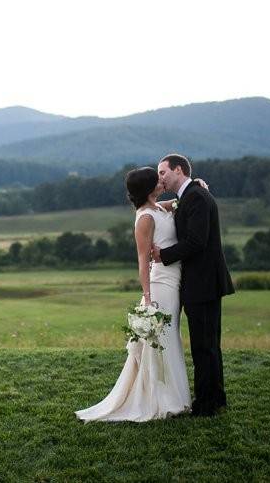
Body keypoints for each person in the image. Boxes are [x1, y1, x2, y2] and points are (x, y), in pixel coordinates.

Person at [75, 166, 191, 422]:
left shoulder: (159, 207)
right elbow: (142, 260)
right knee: (162, 340)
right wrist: (147, 297)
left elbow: (175, 202)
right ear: (150, 187)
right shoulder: (145, 218)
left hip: (174, 280)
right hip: (161, 284)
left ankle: (173, 396)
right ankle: (161, 400)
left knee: (171, 338)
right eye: (157, 178)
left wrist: (195, 187)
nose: (162, 180)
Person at [151, 154, 234, 417]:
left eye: (163, 172)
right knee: (207, 344)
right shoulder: (191, 195)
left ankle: (208, 404)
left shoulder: (196, 196)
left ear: (179, 170)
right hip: (202, 282)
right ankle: (214, 399)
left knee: (205, 346)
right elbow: (176, 208)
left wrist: (162, 256)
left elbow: (196, 242)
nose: (160, 177)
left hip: (204, 283)